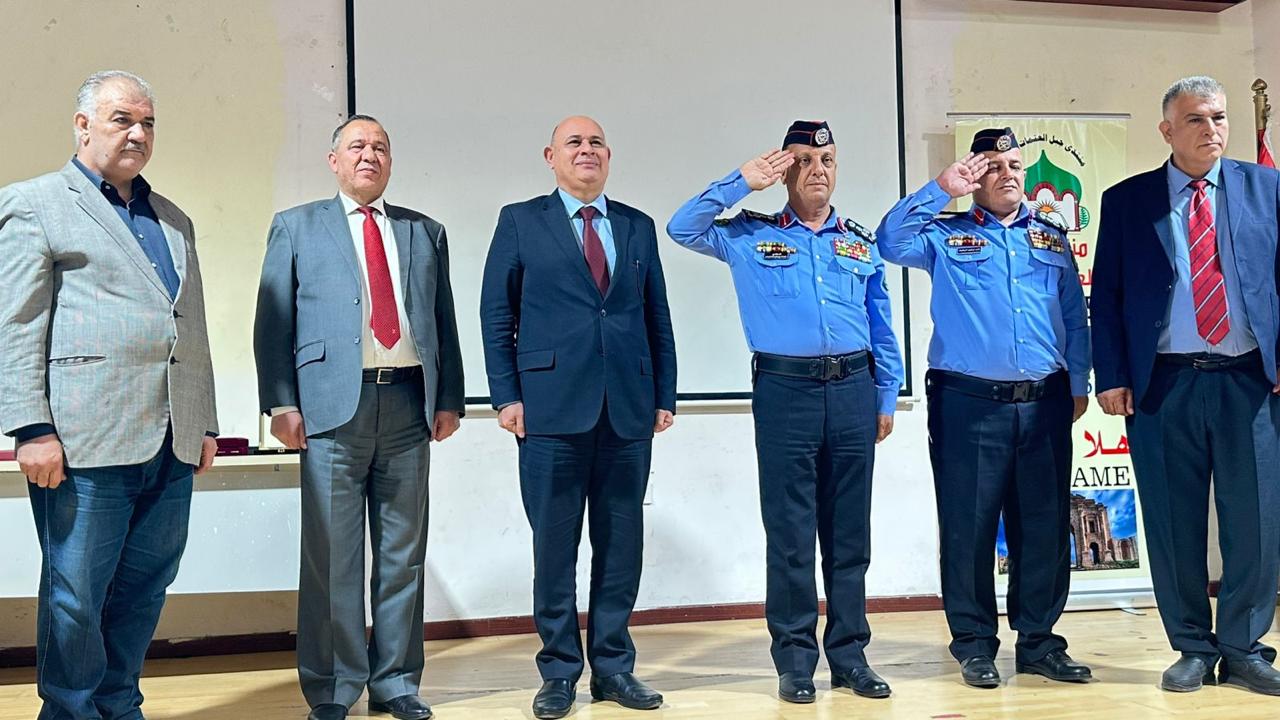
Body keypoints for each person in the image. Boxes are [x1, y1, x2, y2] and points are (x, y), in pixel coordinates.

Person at [0, 70, 219, 720]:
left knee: (145, 588)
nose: (138, 133)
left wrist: (205, 422)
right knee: (76, 597)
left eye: (148, 122)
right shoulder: (34, 203)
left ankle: (119, 706)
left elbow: (190, 326)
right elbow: (15, 324)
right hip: (82, 442)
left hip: (171, 440)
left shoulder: (173, 218)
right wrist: (29, 428)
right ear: (83, 125)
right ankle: (69, 712)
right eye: (122, 119)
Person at [667, 120, 904, 704]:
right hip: (785, 392)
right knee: (792, 535)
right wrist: (739, 183)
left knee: (849, 535)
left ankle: (850, 657)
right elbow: (681, 227)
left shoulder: (859, 240)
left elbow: (881, 322)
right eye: (802, 160)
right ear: (783, 171)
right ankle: (796, 661)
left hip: (852, 389)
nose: (817, 169)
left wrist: (885, 394)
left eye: (826, 159)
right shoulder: (749, 234)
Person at [253, 114, 465, 720]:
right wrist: (281, 402)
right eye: (357, 146)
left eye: (380, 147)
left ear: (390, 161)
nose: (369, 155)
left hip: (407, 406)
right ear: (334, 161)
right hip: (329, 411)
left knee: (403, 554)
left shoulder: (424, 231)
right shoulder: (295, 226)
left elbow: (443, 320)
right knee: (332, 557)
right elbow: (273, 322)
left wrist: (449, 398)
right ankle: (333, 686)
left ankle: (396, 682)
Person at [877, 127, 1092, 689]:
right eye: (992, 166)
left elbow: (1074, 316)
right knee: (968, 528)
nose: (1007, 175)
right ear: (973, 176)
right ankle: (973, 645)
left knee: (1044, 528)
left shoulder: (1050, 237)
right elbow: (888, 241)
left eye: (1014, 165)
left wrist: (1079, 383)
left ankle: (1039, 642)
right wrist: (939, 189)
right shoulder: (943, 234)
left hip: (1044, 402)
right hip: (968, 405)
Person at [479, 115, 676, 719]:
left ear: (608, 156)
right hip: (548, 410)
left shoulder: (637, 225)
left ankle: (613, 668)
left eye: (596, 143)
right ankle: (559, 671)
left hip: (627, 410)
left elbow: (657, 316)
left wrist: (665, 394)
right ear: (551, 156)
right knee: (555, 547)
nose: (586, 150)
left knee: (621, 545)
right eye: (574, 142)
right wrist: (506, 396)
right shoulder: (520, 221)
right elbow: (496, 314)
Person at [1091, 76, 1280, 696]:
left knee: (1255, 520)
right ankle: (1193, 647)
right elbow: (1108, 297)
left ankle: (1244, 648)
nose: (1212, 130)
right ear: (1167, 130)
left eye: (1219, 117)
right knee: (1174, 523)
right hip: (1164, 383)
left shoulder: (1267, 188)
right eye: (1196, 119)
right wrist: (1112, 376)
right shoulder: (1128, 201)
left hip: (1250, 380)